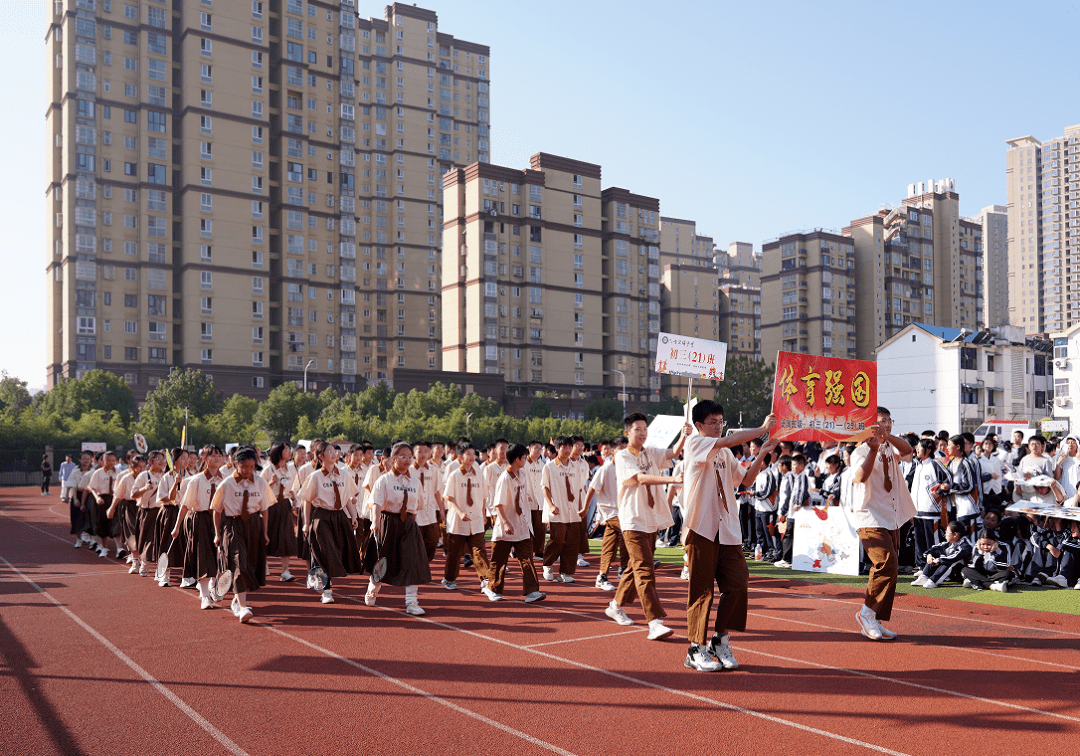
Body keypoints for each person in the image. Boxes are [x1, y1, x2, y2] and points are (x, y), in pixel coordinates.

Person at [681, 401, 777, 672]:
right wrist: (760, 429)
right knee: (702, 591)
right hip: (701, 527)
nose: (719, 426)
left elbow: (745, 481)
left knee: (738, 584)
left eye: (721, 421)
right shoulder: (695, 444)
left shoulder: (725, 454)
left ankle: (719, 639)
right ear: (699, 425)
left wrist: (763, 454)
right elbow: (730, 440)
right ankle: (695, 649)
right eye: (713, 422)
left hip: (728, 529)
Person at [604, 413, 688, 640]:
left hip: (650, 519)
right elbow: (640, 478)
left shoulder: (650, 452)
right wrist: (673, 480)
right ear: (627, 433)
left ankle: (615, 605)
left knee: (635, 567)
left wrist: (684, 435)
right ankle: (654, 622)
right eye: (637, 429)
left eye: (644, 429)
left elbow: (673, 453)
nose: (642, 433)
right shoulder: (622, 456)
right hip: (632, 520)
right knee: (644, 570)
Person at [849, 407, 915, 642]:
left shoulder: (890, 446)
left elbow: (908, 451)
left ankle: (873, 617)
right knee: (885, 562)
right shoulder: (861, 449)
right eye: (881, 422)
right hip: (869, 515)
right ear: (869, 425)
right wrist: (873, 448)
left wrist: (885, 438)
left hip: (890, 514)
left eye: (888, 421)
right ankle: (866, 614)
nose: (886, 425)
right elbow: (859, 477)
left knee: (891, 567)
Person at [365, 441, 430, 614]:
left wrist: (413, 526)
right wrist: (375, 523)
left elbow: (415, 508)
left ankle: (411, 602)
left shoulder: (415, 482)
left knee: (411, 561)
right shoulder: (384, 480)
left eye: (410, 457)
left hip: (408, 525)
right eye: (403, 456)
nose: (407, 460)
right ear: (393, 459)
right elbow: (377, 504)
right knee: (384, 562)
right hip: (388, 523)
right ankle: (373, 587)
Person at [211, 447, 274, 623]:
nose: (247, 470)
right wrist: (217, 534)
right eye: (244, 466)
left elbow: (265, 509)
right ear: (235, 464)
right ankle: (243, 607)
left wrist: (265, 532)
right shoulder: (227, 484)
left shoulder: (260, 483)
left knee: (251, 564)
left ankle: (237, 600)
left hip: (254, 525)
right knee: (239, 563)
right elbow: (216, 511)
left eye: (251, 467)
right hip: (233, 526)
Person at [299, 440, 362, 605]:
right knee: (326, 552)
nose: (334, 454)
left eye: (334, 451)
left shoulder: (344, 474)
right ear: (320, 456)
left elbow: (348, 497)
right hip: (322, 517)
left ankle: (324, 579)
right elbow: (306, 500)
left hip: (340, 517)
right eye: (329, 451)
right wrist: (306, 523)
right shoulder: (315, 477)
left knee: (340, 551)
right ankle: (326, 590)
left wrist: (353, 516)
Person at [488, 443, 546, 603]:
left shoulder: (522, 474)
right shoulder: (504, 478)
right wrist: (506, 523)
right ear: (516, 459)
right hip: (506, 527)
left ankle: (531, 591)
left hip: (522, 524)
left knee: (527, 559)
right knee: (498, 561)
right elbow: (498, 505)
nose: (526, 459)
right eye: (524, 457)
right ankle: (492, 588)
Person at [175, 445, 226, 609]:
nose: (217, 458)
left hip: (219, 520)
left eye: (220, 455)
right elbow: (185, 505)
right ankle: (204, 596)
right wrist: (176, 527)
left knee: (220, 557)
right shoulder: (196, 480)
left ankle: (214, 587)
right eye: (213, 455)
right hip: (201, 520)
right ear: (204, 458)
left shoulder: (225, 480)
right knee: (203, 558)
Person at [441, 443, 492, 592]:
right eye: (467, 454)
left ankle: (485, 580)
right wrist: (460, 512)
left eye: (472, 454)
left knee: (479, 550)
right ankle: (449, 579)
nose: (471, 457)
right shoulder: (455, 475)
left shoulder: (479, 474)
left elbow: (483, 497)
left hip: (475, 519)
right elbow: (449, 497)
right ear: (460, 457)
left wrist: (483, 514)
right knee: (455, 552)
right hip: (458, 521)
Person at [584, 436, 627, 591]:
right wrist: (584, 508)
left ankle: (602, 575)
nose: (623, 451)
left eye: (625, 447)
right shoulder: (606, 468)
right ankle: (625, 567)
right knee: (627, 532)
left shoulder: (628, 467)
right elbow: (592, 488)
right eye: (620, 448)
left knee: (609, 545)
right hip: (610, 512)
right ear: (613, 450)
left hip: (624, 511)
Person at [540, 437, 584, 583]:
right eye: (563, 447)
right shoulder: (550, 467)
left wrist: (581, 506)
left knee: (572, 543)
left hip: (573, 511)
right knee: (557, 540)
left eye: (569, 447)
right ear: (557, 448)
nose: (567, 450)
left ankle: (565, 572)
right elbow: (544, 487)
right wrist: (551, 505)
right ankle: (547, 564)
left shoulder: (576, 466)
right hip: (557, 510)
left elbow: (579, 488)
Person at [908, 439, 952, 576]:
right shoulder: (918, 465)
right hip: (917, 511)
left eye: (919, 447)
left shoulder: (935, 463)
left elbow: (948, 480)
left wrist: (939, 492)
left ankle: (935, 569)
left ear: (928, 448)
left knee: (933, 542)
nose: (916, 450)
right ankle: (922, 567)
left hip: (932, 511)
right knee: (919, 541)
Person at [261, 441, 298, 582]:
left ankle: (285, 571)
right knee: (267, 535)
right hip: (270, 504)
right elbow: (259, 489)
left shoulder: (291, 469)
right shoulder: (268, 469)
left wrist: (294, 498)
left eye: (290, 449)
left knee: (286, 537)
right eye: (287, 450)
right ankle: (264, 565)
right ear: (278, 452)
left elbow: (293, 487)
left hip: (284, 505)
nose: (290, 452)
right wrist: (270, 482)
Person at [912, 520, 971, 588]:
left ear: (955, 535)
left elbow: (954, 557)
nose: (945, 534)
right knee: (936, 553)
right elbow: (935, 547)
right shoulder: (951, 542)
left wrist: (939, 560)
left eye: (947, 532)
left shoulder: (965, 545)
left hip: (964, 573)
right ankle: (924, 576)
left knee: (951, 560)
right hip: (953, 572)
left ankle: (934, 581)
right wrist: (929, 555)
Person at [85, 451, 121, 559]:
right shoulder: (98, 473)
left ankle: (119, 549)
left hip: (115, 499)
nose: (111, 463)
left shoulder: (119, 472)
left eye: (113, 460)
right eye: (108, 460)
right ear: (103, 460)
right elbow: (91, 487)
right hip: (102, 500)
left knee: (116, 524)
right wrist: (97, 497)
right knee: (101, 524)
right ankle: (103, 547)